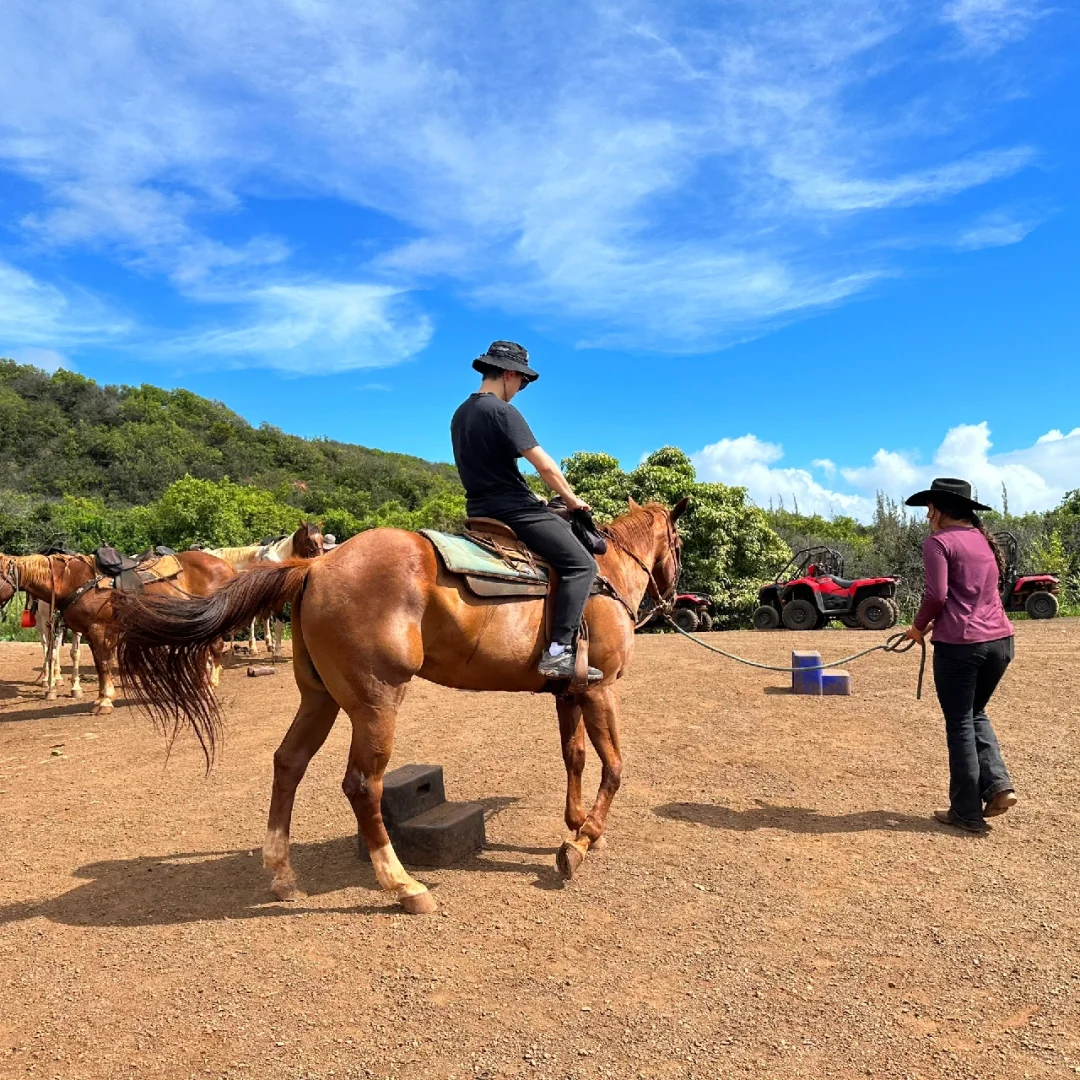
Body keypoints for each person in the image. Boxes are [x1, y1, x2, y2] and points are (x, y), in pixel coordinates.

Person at [451, 340, 601, 682]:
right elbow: (544, 466)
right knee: (582, 564)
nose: (520, 388)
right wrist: (572, 499)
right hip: (514, 510)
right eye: (521, 381)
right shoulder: (501, 412)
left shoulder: (460, 414)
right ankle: (559, 652)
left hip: (479, 508)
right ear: (508, 374)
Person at [903, 477, 1018, 834]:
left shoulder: (938, 542)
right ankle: (998, 785)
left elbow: (937, 595)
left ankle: (967, 812)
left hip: (961, 647)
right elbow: (979, 595)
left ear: (938, 509)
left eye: (928, 510)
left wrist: (918, 627)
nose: (926, 517)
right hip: (1001, 641)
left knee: (959, 723)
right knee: (975, 713)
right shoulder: (983, 540)